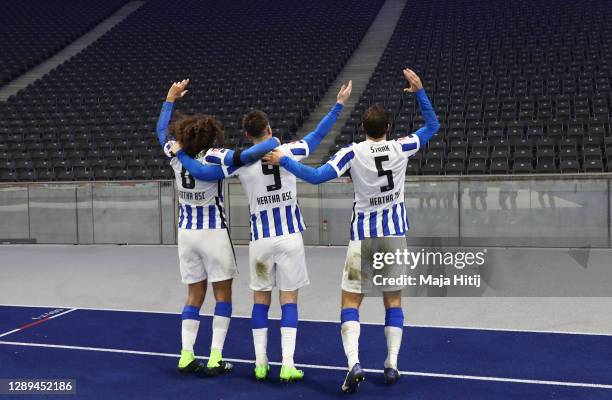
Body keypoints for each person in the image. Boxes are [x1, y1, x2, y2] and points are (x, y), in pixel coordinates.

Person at [263, 69, 439, 393]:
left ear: (363, 128)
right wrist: (420, 92)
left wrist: (284, 162)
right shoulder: (401, 147)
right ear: (388, 129)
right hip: (394, 237)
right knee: (393, 302)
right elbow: (432, 127)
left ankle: (354, 362)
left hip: (363, 239)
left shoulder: (352, 152)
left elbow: (315, 177)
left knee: (350, 302)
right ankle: (392, 364)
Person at [177, 81, 352, 382]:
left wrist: (179, 153)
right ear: (269, 129)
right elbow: (317, 136)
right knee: (289, 301)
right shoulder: (289, 150)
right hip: (290, 238)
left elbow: (203, 172)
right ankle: (287, 363)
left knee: (260, 302)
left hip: (260, 240)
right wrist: (337, 105)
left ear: (247, 135)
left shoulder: (239, 162)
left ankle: (260, 364)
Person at [156, 79, 279, 377]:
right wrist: (270, 144)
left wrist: (169, 99)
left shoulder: (174, 155)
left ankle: (186, 355)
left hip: (186, 234)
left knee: (193, 295)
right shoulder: (216, 156)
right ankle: (215, 358)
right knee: (223, 296)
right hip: (213, 234)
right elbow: (244, 156)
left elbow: (161, 130)